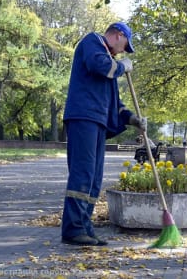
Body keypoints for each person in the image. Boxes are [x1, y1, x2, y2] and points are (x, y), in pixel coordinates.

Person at [61, 22, 146, 246]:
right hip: (83, 117)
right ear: (118, 36)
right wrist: (122, 66)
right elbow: (101, 66)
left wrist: (132, 119)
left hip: (96, 121)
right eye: (125, 47)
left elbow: (114, 104)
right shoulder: (93, 42)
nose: (123, 52)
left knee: (94, 178)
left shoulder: (108, 60)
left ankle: (84, 227)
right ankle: (73, 229)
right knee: (83, 173)